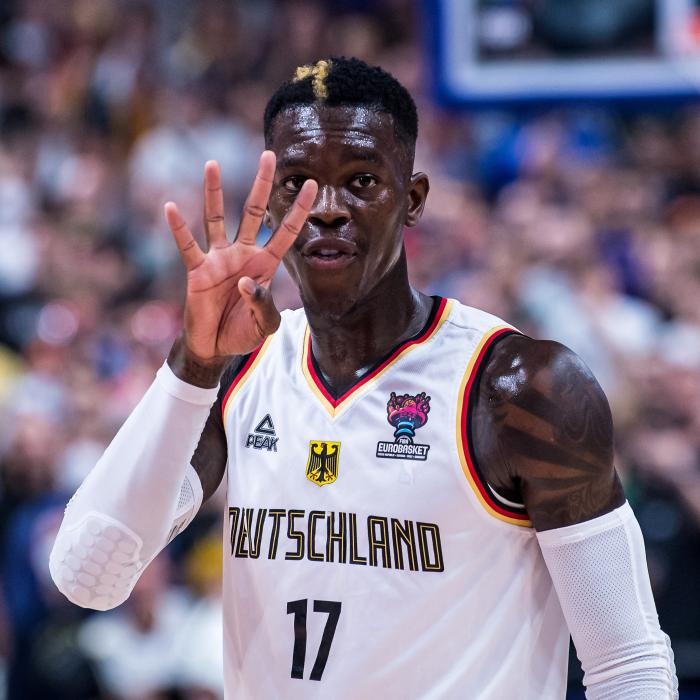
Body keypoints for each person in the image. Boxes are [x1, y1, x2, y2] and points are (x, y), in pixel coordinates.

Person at [50, 57, 677, 699]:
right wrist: (192, 365)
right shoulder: (239, 370)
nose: (326, 209)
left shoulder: (520, 388)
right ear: (270, 201)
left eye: (361, 181)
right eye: (298, 183)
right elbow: (89, 576)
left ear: (413, 199)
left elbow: (628, 665)